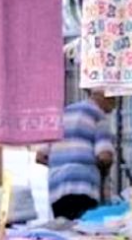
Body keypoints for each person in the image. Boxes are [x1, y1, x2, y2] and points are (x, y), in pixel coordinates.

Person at [42, 90, 117, 220]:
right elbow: (104, 156)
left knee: (65, 232)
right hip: (84, 185)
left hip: (56, 187)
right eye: (115, 99)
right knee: (82, 233)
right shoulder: (98, 115)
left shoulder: (62, 114)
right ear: (104, 96)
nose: (114, 107)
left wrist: (62, 164)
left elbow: (40, 156)